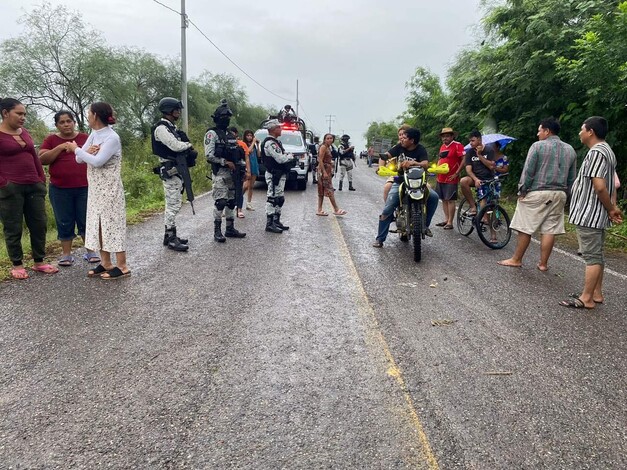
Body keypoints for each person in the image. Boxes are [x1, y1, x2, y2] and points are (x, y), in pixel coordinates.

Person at [559, 116, 623, 309]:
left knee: (592, 256)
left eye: (582, 129)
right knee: (597, 254)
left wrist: (611, 208)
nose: (580, 133)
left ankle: (586, 298)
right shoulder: (607, 151)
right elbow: (612, 185)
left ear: (590, 132)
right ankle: (596, 293)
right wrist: (612, 208)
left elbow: (600, 186)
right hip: (597, 214)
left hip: (590, 214)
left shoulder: (596, 152)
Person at [497, 118, 576, 271]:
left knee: (525, 226)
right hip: (560, 194)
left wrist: (522, 190)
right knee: (550, 229)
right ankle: (543, 264)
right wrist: (568, 196)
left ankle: (516, 259)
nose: (537, 133)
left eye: (540, 130)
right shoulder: (570, 149)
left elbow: (528, 171)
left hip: (538, 192)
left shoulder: (537, 146)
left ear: (547, 131)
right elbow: (572, 178)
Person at [67, 102, 130, 279]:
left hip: (110, 188)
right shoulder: (95, 134)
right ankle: (106, 262)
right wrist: (87, 150)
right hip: (95, 189)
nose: (87, 116)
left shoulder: (111, 137)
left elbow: (96, 161)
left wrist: (77, 149)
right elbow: (80, 160)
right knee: (99, 225)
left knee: (113, 224)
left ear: (95, 115)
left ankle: (122, 265)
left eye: (89, 113)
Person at [0, 98, 58, 279]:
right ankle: (17, 264)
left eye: (24, 114)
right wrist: (3, 183)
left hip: (33, 185)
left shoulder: (24, 132)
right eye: (19, 113)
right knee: (13, 226)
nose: (23, 117)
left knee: (39, 224)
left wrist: (41, 179)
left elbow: (34, 156)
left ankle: (39, 261)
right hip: (11, 188)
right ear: (5, 113)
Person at [39, 110, 98, 266]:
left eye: (68, 121)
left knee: (86, 219)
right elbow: (42, 159)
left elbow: (96, 155)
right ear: (57, 125)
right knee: (64, 220)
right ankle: (66, 254)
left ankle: (91, 251)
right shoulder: (51, 139)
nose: (66, 124)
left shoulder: (85, 138)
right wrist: (60, 147)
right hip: (60, 188)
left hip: (85, 187)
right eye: (62, 122)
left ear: (74, 122)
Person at [372, 127, 439, 247]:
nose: (402, 139)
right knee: (388, 207)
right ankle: (380, 238)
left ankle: (425, 225)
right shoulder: (399, 147)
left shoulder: (420, 149)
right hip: (401, 182)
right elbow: (386, 155)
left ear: (412, 140)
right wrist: (381, 164)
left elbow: (425, 163)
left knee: (434, 197)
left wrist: (414, 163)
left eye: (405, 137)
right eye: (401, 137)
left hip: (419, 183)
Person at [151, 97, 198, 252]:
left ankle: (170, 235)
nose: (179, 112)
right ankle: (171, 237)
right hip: (170, 170)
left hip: (177, 170)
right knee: (173, 205)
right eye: (176, 109)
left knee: (175, 203)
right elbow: (175, 146)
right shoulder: (161, 128)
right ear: (169, 110)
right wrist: (188, 145)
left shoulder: (172, 128)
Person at [204, 100, 246, 243]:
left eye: (228, 118)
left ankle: (230, 228)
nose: (226, 120)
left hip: (233, 174)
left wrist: (243, 168)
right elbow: (209, 155)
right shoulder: (212, 134)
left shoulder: (229, 134)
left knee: (231, 202)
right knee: (220, 202)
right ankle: (217, 231)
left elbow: (237, 154)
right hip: (220, 173)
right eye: (224, 117)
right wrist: (224, 162)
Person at [260, 119, 296, 233]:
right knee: (272, 198)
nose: (281, 129)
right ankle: (269, 223)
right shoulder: (270, 143)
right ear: (273, 129)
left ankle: (276, 220)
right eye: (278, 128)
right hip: (274, 174)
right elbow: (280, 159)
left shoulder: (276, 142)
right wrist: (290, 157)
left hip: (280, 174)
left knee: (279, 199)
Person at [434, 127, 466, 229]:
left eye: (447, 136)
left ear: (452, 136)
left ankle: (450, 222)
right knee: (443, 199)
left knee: (450, 199)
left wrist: (457, 173)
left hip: (451, 176)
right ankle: (446, 219)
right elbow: (440, 159)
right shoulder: (442, 147)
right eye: (443, 136)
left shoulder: (458, 145)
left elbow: (464, 159)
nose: (445, 138)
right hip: (441, 176)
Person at [460, 130, 496, 215]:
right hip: (475, 178)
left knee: (485, 211)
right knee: (463, 181)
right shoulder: (470, 152)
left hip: (488, 179)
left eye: (473, 141)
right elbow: (468, 169)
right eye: (470, 141)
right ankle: (473, 206)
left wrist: (479, 155)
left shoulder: (489, 150)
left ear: (479, 140)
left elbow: (491, 166)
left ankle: (485, 219)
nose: (471, 143)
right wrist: (475, 179)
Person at [316, 133, 347, 217]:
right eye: (328, 138)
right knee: (330, 190)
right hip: (324, 171)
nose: (330, 140)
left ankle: (319, 209)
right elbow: (320, 160)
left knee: (321, 191)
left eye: (331, 138)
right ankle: (336, 209)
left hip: (326, 170)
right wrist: (324, 172)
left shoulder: (328, 147)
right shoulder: (323, 147)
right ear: (324, 139)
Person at [381, 124, 412, 202]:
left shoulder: (417, 147)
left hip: (414, 176)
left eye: (404, 134)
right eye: (400, 135)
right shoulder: (397, 147)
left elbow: (424, 162)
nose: (402, 137)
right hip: (398, 175)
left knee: (428, 188)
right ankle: (388, 211)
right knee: (387, 187)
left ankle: (422, 211)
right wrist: (381, 168)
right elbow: (384, 156)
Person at [228, 126, 251, 219]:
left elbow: (246, 158)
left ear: (236, 134)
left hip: (239, 170)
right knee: (228, 191)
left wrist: (248, 171)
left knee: (239, 190)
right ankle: (227, 209)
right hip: (228, 170)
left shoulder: (242, 144)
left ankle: (239, 209)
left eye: (233, 133)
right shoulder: (225, 143)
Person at [242, 129, 259, 211]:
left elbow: (258, 154)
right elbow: (248, 151)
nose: (249, 137)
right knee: (245, 185)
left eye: (251, 136)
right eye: (248, 135)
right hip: (248, 166)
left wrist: (258, 145)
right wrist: (253, 142)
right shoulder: (244, 144)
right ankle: (236, 200)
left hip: (254, 165)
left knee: (251, 186)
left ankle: (249, 203)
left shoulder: (254, 144)